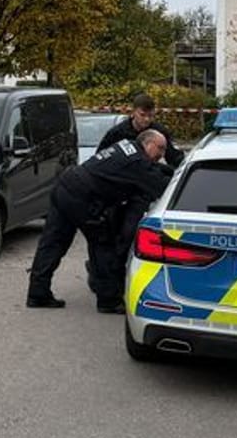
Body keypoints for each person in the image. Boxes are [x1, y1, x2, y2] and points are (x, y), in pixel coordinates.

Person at [25, 129, 173, 312]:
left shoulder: (127, 146)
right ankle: (108, 300)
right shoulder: (138, 163)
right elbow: (161, 185)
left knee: (52, 242)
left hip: (65, 186)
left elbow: (150, 170)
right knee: (103, 245)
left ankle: (37, 293)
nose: (162, 155)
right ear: (148, 143)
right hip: (83, 198)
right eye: (160, 149)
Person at [96, 93, 185, 169]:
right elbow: (100, 157)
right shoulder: (117, 132)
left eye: (150, 115)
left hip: (148, 175)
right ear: (134, 112)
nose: (146, 119)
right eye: (142, 115)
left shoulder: (159, 132)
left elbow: (173, 157)